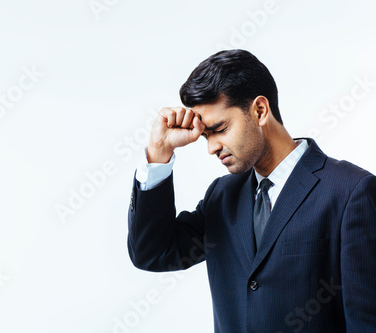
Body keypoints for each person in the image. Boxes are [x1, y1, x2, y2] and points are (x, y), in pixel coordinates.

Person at [127, 49, 376, 332]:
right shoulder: (221, 197)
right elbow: (152, 253)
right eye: (206, 136)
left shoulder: (350, 192)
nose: (211, 148)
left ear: (260, 110)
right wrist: (159, 151)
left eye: (219, 129)